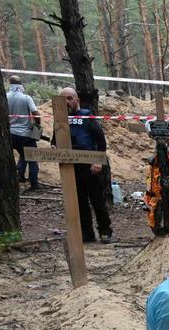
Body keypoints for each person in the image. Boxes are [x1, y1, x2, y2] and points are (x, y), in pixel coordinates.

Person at [57, 87, 113, 244]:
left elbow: (100, 141)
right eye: (64, 99)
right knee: (80, 202)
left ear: (77, 100)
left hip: (91, 167)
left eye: (69, 98)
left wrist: (97, 161)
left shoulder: (87, 117)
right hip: (71, 168)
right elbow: (55, 141)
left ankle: (105, 231)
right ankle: (87, 233)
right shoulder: (61, 119)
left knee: (97, 201)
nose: (67, 102)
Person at [6, 77, 41, 191]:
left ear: (10, 84)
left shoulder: (5, 96)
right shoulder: (26, 97)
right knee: (32, 159)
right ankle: (34, 185)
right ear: (20, 84)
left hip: (10, 134)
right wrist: (37, 128)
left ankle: (19, 177)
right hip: (25, 134)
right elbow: (36, 114)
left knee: (23, 154)